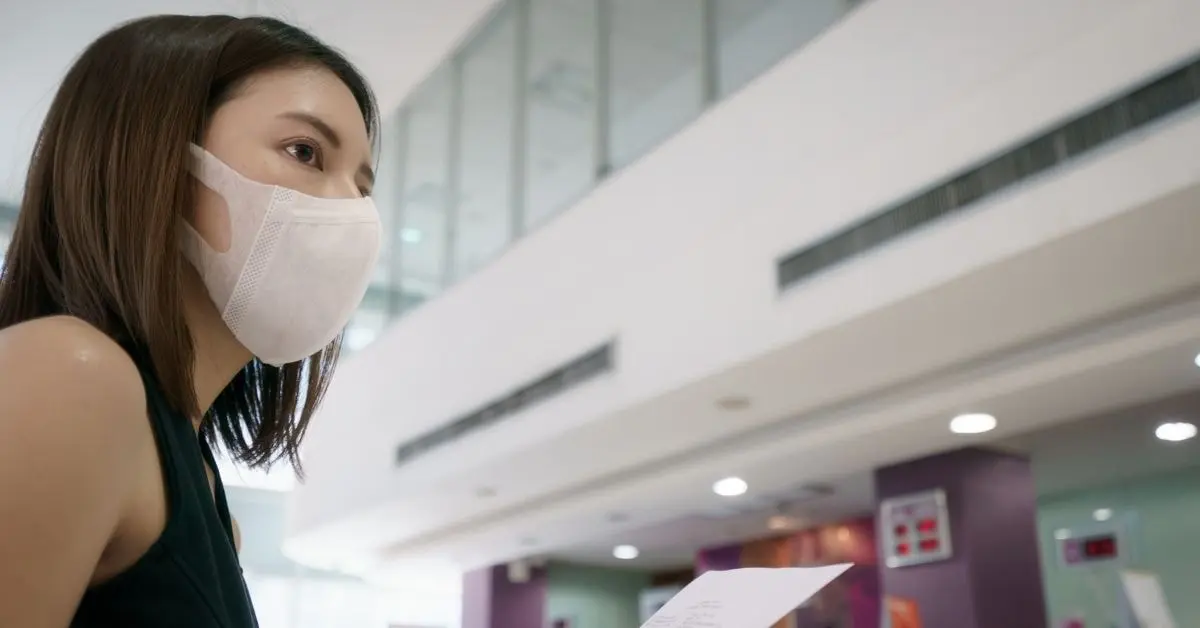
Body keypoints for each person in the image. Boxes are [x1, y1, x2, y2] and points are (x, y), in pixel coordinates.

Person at [0, 14, 381, 628]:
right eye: (305, 152)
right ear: (160, 160)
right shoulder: (73, 378)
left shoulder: (203, 488)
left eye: (364, 185)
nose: (354, 211)